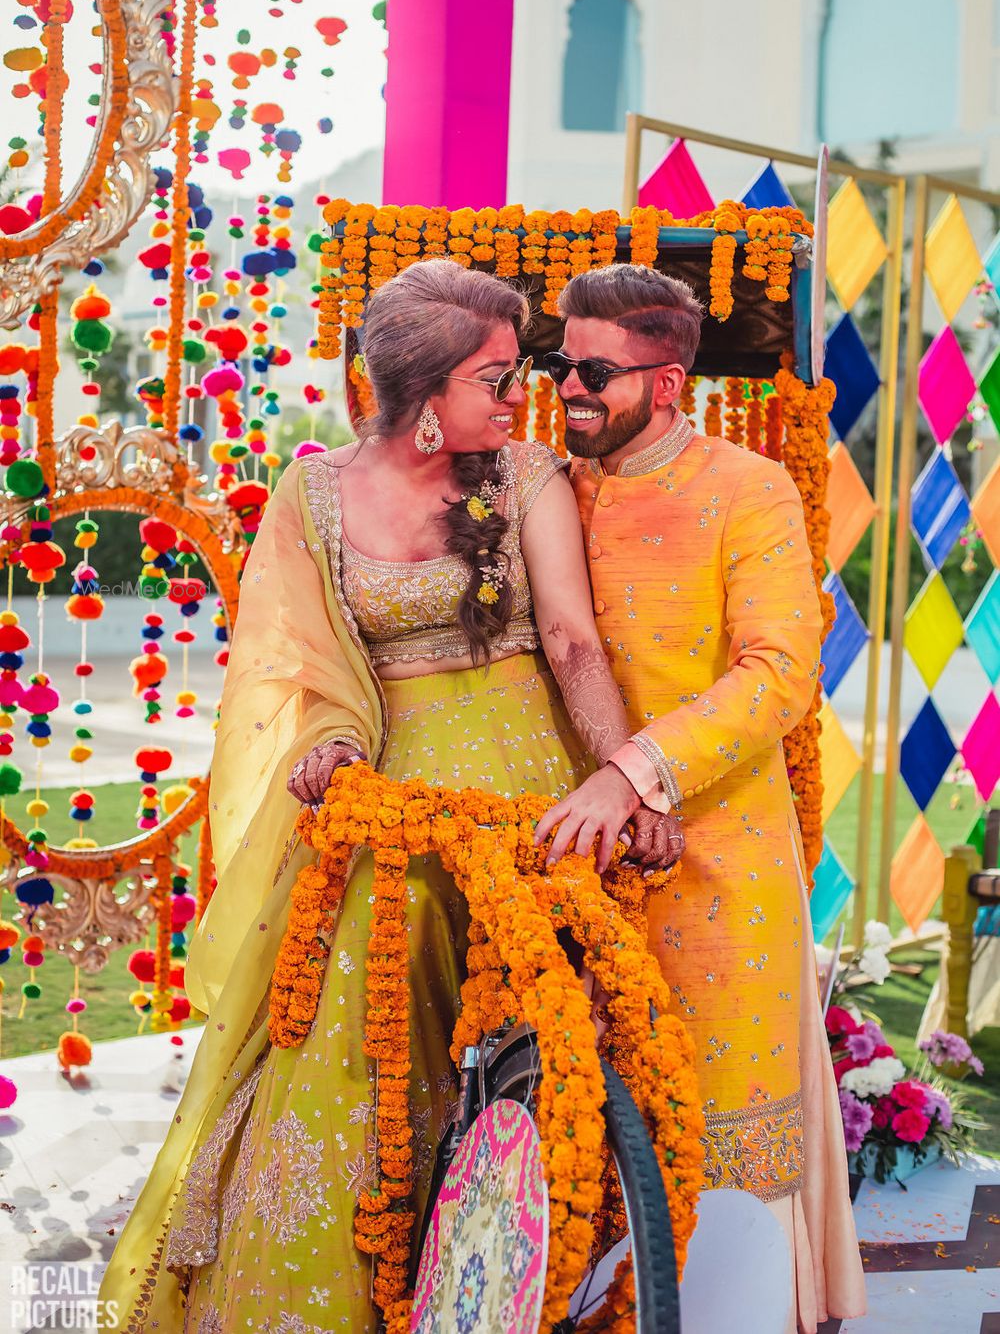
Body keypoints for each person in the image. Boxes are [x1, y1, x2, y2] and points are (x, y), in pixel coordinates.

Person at [101, 259, 679, 1333]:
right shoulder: (311, 495)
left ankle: (516, 1288)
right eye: (496, 379)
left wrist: (621, 777)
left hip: (526, 800)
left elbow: (571, 642)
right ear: (423, 398)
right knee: (353, 1037)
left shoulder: (526, 476)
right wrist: (327, 748)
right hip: (386, 807)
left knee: (536, 1050)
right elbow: (292, 663)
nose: (519, 400)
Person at [534, 261, 867, 1333]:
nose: (569, 390)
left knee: (721, 1131)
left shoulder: (745, 487)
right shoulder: (543, 485)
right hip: (570, 857)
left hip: (718, 859)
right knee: (576, 1117)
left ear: (669, 381)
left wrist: (634, 771)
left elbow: (777, 672)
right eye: (558, 364)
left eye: (594, 371)